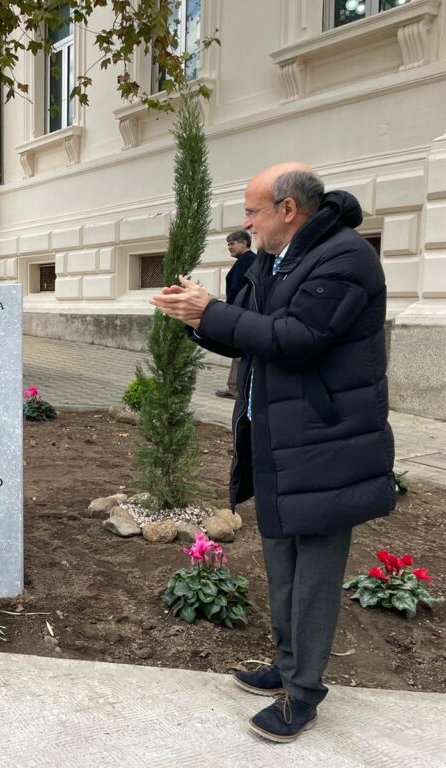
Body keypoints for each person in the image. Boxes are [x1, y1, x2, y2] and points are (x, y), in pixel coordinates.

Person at [150, 163, 395, 744]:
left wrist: (212, 311)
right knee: (282, 557)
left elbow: (297, 339)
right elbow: (252, 328)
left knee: (314, 570)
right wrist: (196, 317)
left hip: (327, 440)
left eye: (252, 211)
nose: (245, 222)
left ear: (288, 210)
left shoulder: (345, 258)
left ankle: (304, 693)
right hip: (279, 433)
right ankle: (286, 668)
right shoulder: (275, 259)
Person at [214, 230, 255, 399]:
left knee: (240, 352)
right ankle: (234, 386)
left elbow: (237, 288)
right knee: (238, 351)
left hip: (241, 312)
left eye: (232, 244)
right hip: (243, 311)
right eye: (228, 244)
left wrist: (228, 311)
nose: (229, 247)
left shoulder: (247, 261)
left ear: (244, 243)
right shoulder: (247, 260)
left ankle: (239, 388)